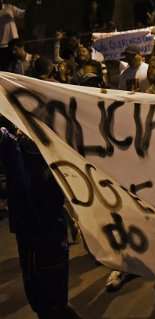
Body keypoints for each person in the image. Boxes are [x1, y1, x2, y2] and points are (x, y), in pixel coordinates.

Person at [0, 127, 81, 318]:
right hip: (34, 226)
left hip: (48, 224)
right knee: (43, 284)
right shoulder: (13, 145)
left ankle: (56, 307)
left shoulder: (42, 143)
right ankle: (54, 308)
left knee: (52, 279)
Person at [0, 0, 26, 70]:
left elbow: (22, 14)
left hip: (13, 42)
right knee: (4, 66)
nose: (1, 1)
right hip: (2, 45)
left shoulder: (9, 7)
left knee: (16, 63)